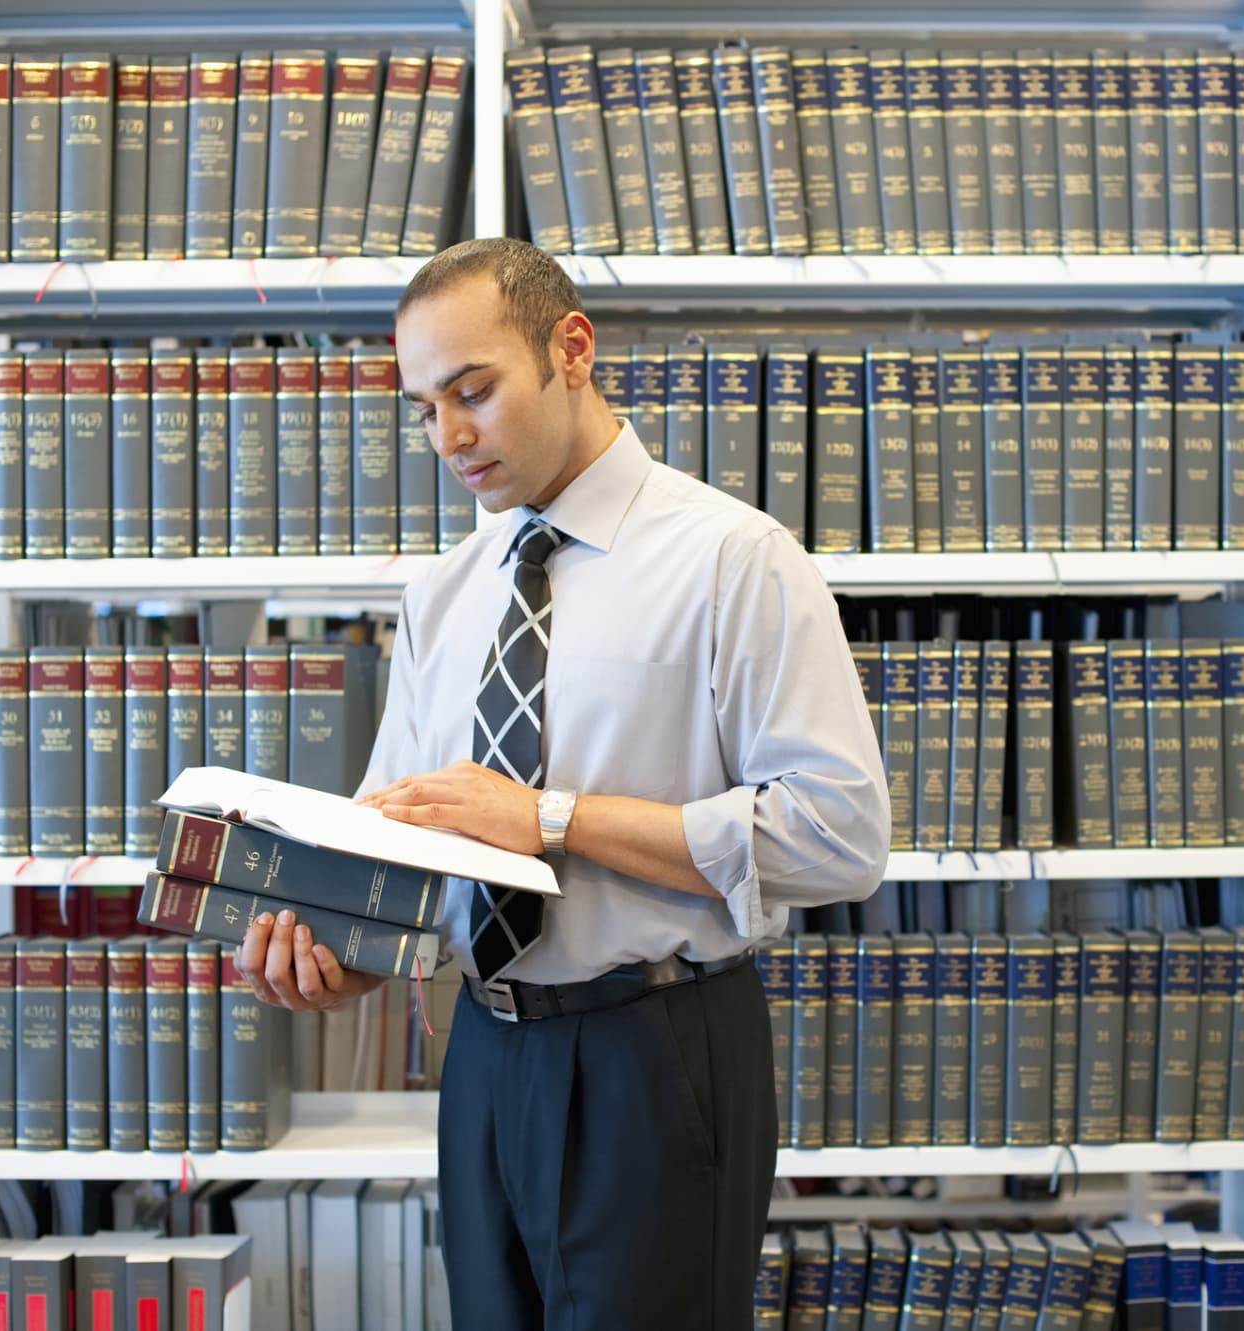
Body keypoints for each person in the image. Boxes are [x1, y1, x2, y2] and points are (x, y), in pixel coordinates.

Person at [232, 237, 891, 1328]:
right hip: (484, 1055)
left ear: (570, 349)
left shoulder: (733, 558)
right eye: (422, 406)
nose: (446, 436)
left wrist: (550, 819)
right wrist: (340, 958)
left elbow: (838, 832)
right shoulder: (443, 592)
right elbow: (406, 839)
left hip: (655, 1054)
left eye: (471, 391)